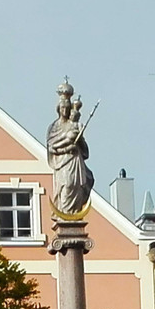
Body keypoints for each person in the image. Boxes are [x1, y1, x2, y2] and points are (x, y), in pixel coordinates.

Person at [46, 82, 94, 216]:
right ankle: (65, 214)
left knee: (78, 185)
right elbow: (51, 147)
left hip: (75, 160)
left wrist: (80, 141)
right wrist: (66, 147)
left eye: (67, 108)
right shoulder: (54, 127)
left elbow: (85, 150)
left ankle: (74, 214)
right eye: (62, 108)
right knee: (67, 185)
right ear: (58, 109)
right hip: (63, 162)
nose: (65, 111)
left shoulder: (75, 125)